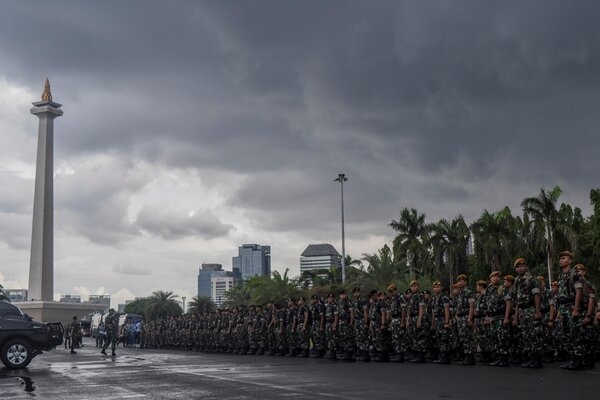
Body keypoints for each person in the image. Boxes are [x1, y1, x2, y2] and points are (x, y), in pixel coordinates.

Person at [513, 258, 543, 368]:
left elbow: (537, 296)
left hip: (531, 309)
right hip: (522, 310)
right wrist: (516, 317)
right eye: (518, 267)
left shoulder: (532, 279)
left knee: (534, 335)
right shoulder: (517, 281)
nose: (520, 268)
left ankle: (537, 359)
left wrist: (538, 312)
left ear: (526, 267)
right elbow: (517, 300)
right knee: (526, 335)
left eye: (522, 266)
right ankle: (531, 358)